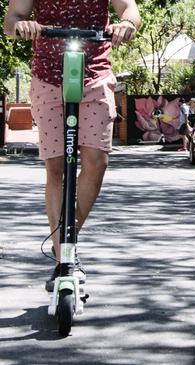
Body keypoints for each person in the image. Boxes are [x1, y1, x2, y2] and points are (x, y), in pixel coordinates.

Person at [4, 0, 141, 292]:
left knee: (97, 161)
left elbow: (129, 9)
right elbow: (11, 19)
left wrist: (126, 25)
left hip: (96, 73)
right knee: (56, 168)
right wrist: (22, 26)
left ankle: (66, 236)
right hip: (47, 77)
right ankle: (64, 258)